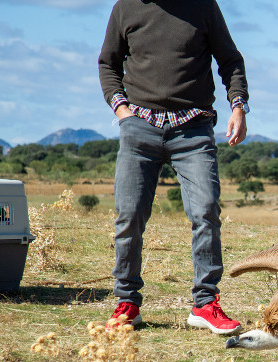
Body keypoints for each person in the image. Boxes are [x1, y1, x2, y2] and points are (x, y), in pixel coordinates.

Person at [98, 0, 249, 334]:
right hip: (139, 125)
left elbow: (230, 60)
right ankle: (127, 304)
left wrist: (238, 105)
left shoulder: (203, 6)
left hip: (192, 129)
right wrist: (122, 112)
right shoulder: (126, 7)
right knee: (130, 215)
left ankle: (205, 305)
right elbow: (108, 64)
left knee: (206, 210)